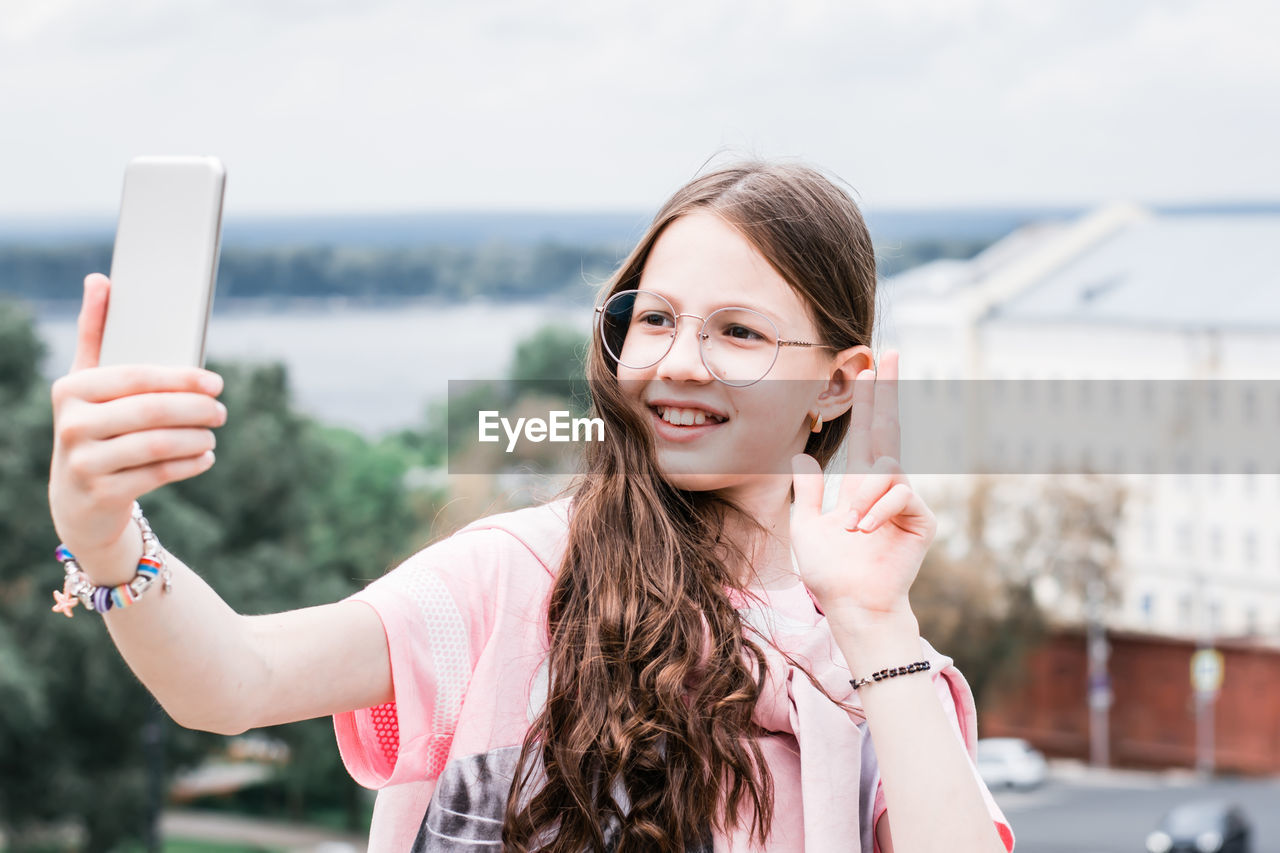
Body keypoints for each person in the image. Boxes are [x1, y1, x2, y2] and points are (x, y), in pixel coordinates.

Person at [47, 159, 1015, 853]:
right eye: (657, 317)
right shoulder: (516, 576)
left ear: (838, 385)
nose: (679, 360)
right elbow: (236, 679)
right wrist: (103, 536)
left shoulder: (880, 665)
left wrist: (871, 618)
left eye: (738, 331)